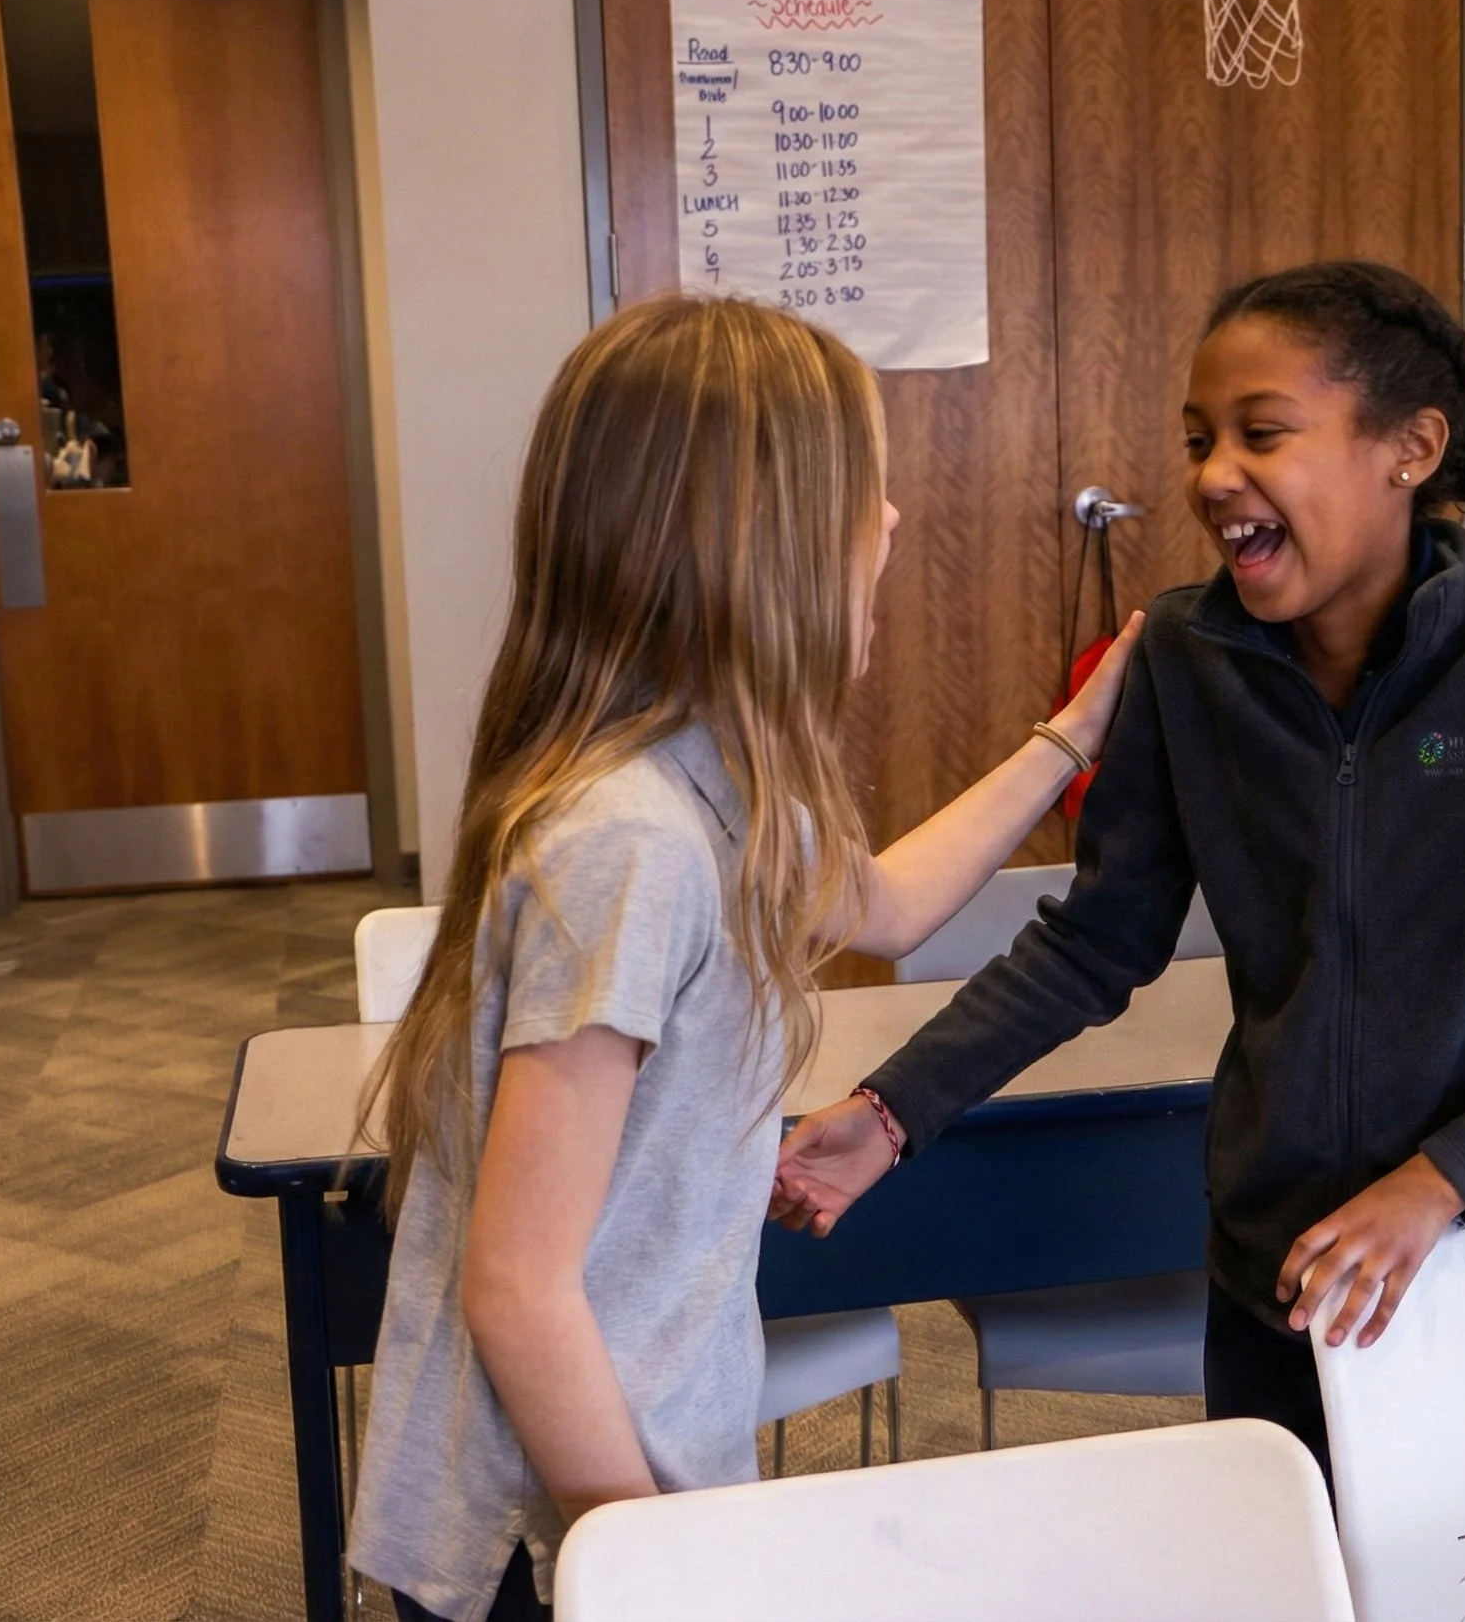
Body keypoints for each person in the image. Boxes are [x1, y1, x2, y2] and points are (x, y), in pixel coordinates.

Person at [773, 260, 1465, 1477]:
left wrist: (1440, 1184)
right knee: (1294, 1565)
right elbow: (1097, 939)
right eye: (1198, 439)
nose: (1212, 475)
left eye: (1262, 433)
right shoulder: (1190, 654)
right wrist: (891, 1112)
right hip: (1277, 1253)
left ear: (1411, 448)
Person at [346, 294, 1142, 1622]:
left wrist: (1073, 730)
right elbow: (519, 1283)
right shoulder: (630, 839)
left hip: (629, 1485)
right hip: (555, 1538)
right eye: (863, 495)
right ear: (755, 544)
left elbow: (883, 906)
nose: (890, 524)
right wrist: (652, 1559)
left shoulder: (719, 773)